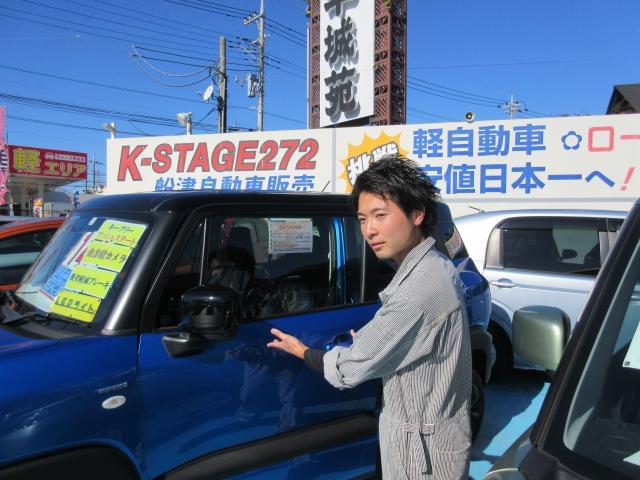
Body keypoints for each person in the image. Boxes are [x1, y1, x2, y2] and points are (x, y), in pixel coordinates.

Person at [267, 156, 472, 479]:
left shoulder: (417, 292)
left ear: (417, 214)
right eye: (363, 219)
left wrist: (301, 350)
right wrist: (375, 339)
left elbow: (349, 369)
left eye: (380, 215)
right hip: (431, 438)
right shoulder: (436, 264)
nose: (369, 230)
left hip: (421, 457)